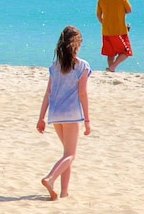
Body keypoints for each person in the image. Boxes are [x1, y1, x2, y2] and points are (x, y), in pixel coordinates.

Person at [36, 25, 92, 201]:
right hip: (71, 114)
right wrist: (88, 120)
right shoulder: (82, 66)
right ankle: (50, 179)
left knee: (67, 154)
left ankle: (64, 193)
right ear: (77, 45)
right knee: (70, 154)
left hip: (55, 114)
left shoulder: (55, 66)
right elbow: (83, 93)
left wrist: (41, 117)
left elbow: (48, 93)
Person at [96, 0, 132, 72]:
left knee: (110, 53)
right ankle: (112, 67)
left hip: (106, 31)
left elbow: (98, 15)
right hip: (119, 30)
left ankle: (111, 71)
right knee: (127, 52)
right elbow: (129, 10)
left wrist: (104, 23)